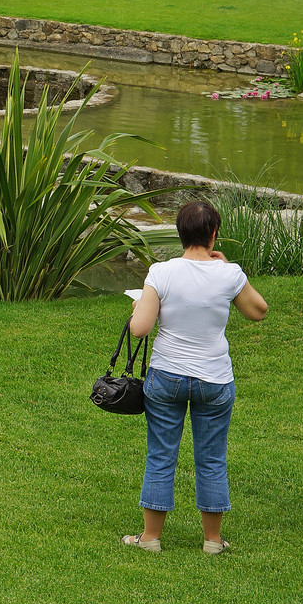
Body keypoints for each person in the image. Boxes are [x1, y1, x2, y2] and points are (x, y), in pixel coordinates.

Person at [122, 200, 269, 555]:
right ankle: (212, 541)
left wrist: (137, 307)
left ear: (180, 233)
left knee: (160, 455)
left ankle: (151, 539)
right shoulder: (229, 274)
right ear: (214, 234)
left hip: (167, 376)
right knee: (212, 458)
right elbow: (258, 311)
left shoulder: (161, 272)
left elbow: (140, 329)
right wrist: (230, 269)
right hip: (215, 380)